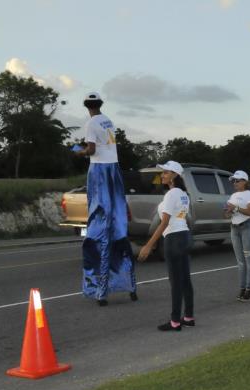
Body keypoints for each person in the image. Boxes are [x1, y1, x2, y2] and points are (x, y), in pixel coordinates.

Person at [73, 91, 137, 306]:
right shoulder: (108, 120)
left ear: (86, 105)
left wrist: (80, 152)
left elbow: (91, 150)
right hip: (114, 171)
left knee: (99, 228)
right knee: (117, 226)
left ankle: (100, 290)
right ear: (100, 104)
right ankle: (128, 283)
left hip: (100, 172)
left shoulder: (91, 124)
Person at [137, 161, 194, 331]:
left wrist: (148, 245)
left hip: (174, 238)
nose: (162, 175)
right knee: (185, 280)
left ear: (175, 175)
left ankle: (175, 321)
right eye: (163, 172)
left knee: (176, 282)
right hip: (184, 236)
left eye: (166, 172)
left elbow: (165, 222)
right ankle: (188, 317)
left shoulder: (171, 194)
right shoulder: (184, 194)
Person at [225, 170, 250, 301]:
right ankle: (242, 288)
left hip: (247, 227)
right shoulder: (233, 196)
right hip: (234, 228)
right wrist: (228, 211)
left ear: (245, 181)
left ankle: (249, 289)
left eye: (237, 181)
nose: (235, 183)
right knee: (240, 261)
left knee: (249, 260)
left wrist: (236, 208)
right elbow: (226, 214)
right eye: (233, 181)